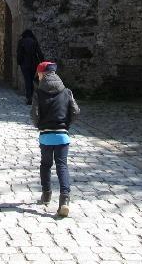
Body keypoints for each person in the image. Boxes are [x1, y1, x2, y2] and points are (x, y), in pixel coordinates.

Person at [31, 60, 80, 218]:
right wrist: (66, 125)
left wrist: (40, 125)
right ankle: (64, 199)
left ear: (42, 74)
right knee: (62, 166)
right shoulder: (66, 91)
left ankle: (46, 194)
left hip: (46, 135)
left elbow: (35, 114)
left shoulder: (38, 93)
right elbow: (75, 111)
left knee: (45, 165)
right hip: (62, 135)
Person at [16, 29, 44, 105]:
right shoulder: (34, 41)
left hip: (24, 64)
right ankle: (32, 96)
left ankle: (29, 97)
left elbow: (19, 53)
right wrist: (42, 62)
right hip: (34, 63)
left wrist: (19, 62)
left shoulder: (21, 41)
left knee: (27, 80)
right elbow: (39, 53)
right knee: (31, 79)